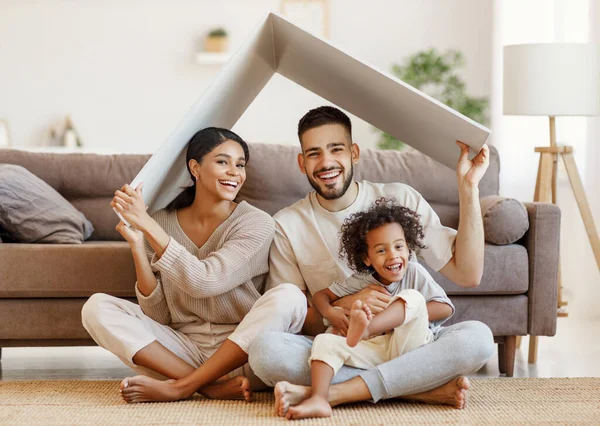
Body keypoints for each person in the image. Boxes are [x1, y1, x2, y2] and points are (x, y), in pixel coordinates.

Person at [247, 105, 495, 411]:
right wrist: (345, 306)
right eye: (314, 153)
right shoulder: (287, 224)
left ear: (354, 153)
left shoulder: (399, 199)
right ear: (301, 162)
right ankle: (415, 388)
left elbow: (468, 274)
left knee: (478, 339)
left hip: (411, 342)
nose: (326, 162)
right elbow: (299, 321)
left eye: (335, 149)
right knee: (265, 352)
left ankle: (334, 394)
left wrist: (468, 187)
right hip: (348, 345)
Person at [81, 127, 307, 403]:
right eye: (223, 162)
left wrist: (147, 224)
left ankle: (181, 387)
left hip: (242, 351)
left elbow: (206, 281)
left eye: (240, 165)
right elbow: (159, 316)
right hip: (180, 352)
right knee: (96, 307)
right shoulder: (162, 223)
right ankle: (208, 386)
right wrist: (138, 246)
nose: (235, 172)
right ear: (195, 168)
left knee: (290, 297)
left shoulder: (256, 223)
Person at [279, 199, 455, 419]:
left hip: (412, 348)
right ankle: (319, 399)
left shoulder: (414, 273)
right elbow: (321, 296)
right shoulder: (361, 281)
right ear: (367, 258)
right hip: (379, 350)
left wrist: (398, 313)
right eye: (381, 250)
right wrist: (331, 313)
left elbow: (445, 308)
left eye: (399, 246)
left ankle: (366, 329)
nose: (393, 255)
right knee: (326, 340)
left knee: (413, 298)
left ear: (408, 247)